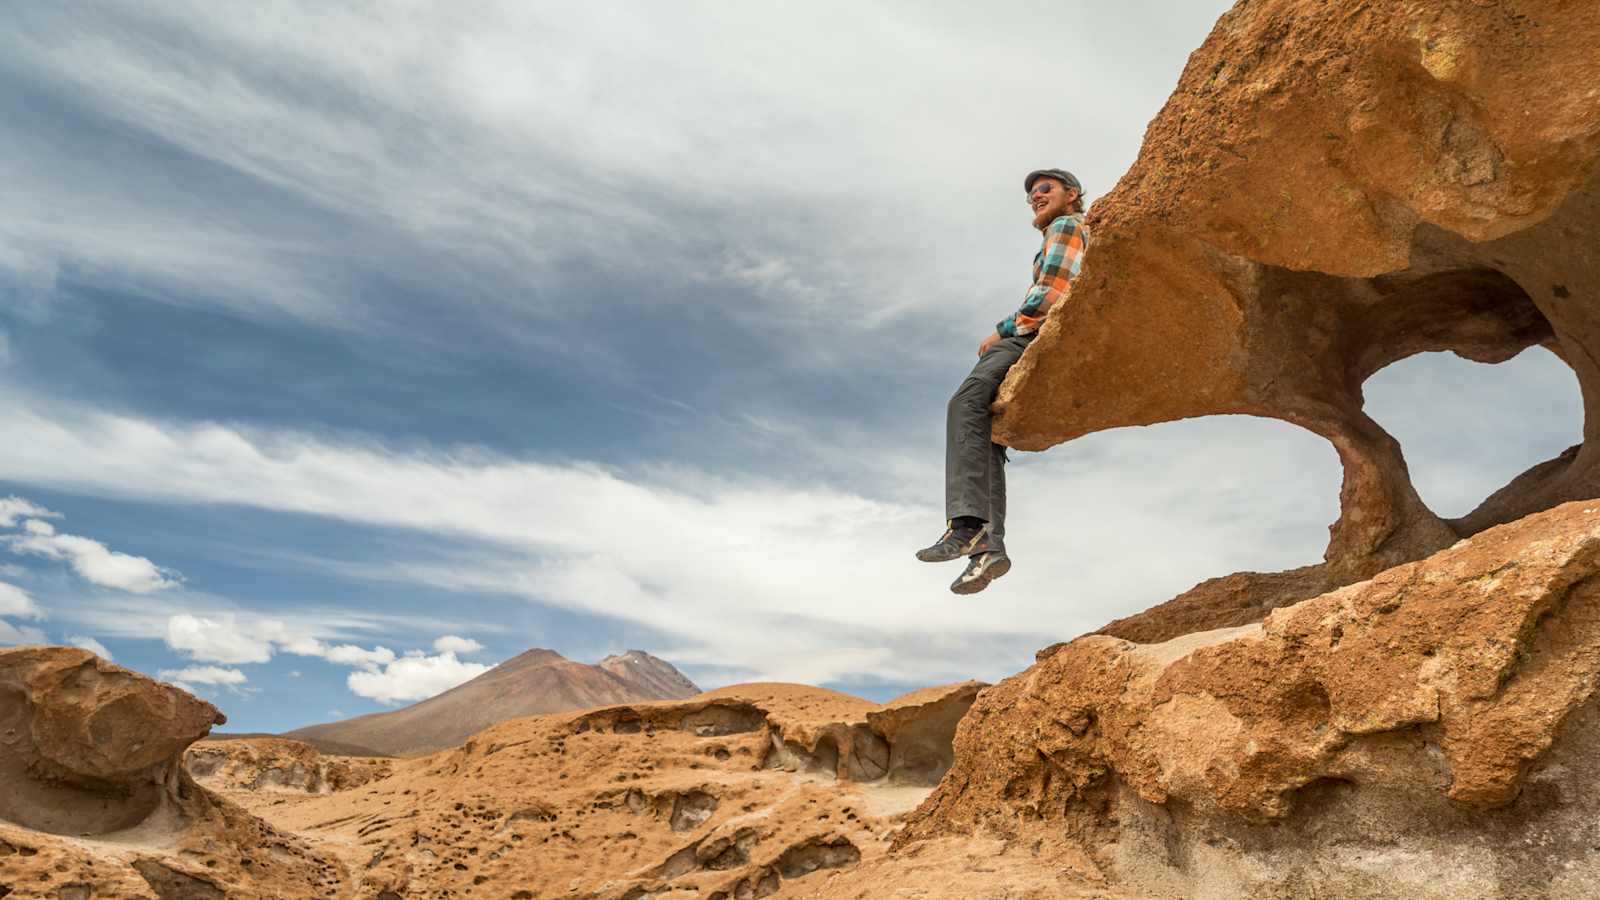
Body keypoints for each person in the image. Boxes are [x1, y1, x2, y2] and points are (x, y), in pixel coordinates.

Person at [915, 168, 1090, 594]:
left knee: (964, 403)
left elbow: (1052, 291)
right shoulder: (1066, 227)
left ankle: (969, 525)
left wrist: (1001, 330)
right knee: (985, 432)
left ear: (1072, 195)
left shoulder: (1067, 225)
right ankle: (987, 550)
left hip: (1032, 336)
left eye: (1045, 188)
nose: (1035, 196)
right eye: (1031, 193)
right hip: (1048, 338)